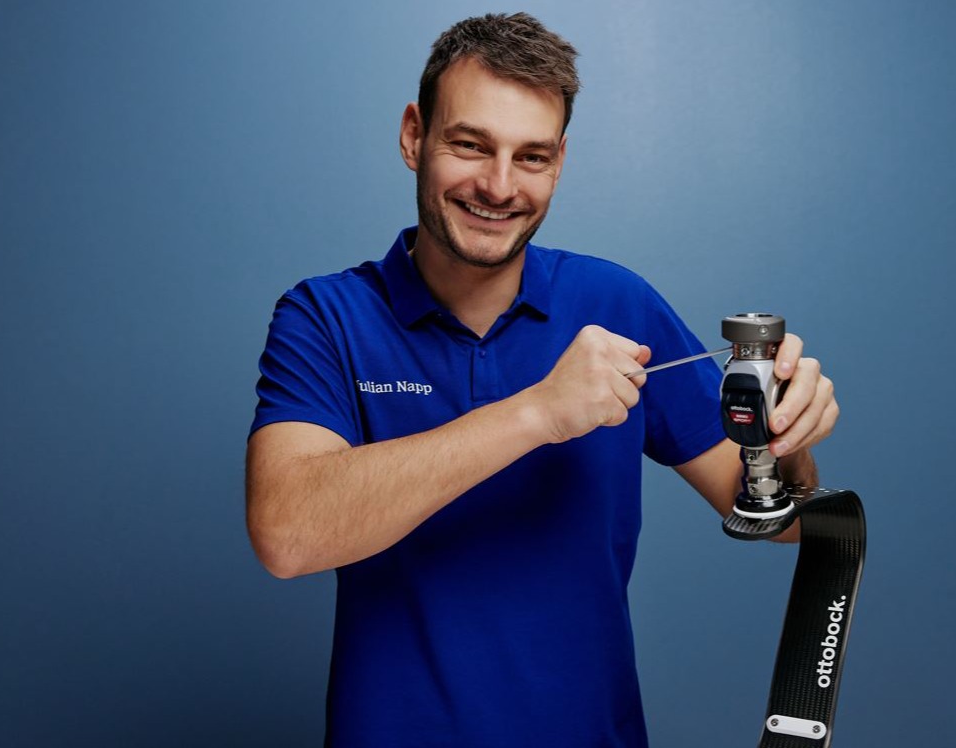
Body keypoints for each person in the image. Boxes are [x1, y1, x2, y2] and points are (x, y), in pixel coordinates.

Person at [246, 12, 837, 747]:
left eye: (531, 156)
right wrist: (536, 413)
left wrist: (787, 440)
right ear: (413, 136)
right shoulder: (325, 316)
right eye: (470, 145)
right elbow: (287, 535)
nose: (499, 186)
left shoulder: (616, 303)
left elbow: (781, 521)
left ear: (559, 162)